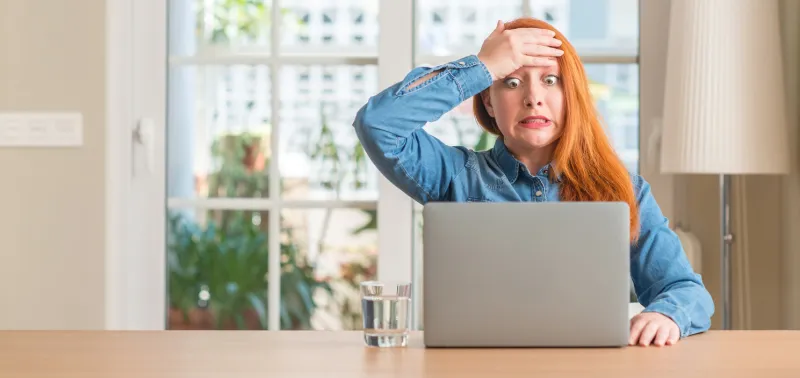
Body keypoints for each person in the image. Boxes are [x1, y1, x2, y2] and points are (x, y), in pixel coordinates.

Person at [352, 17, 714, 347]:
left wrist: (665, 315)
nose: (533, 98)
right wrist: (482, 66)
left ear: (570, 97)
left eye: (550, 80)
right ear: (489, 102)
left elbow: (685, 289)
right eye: (510, 82)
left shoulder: (626, 190)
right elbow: (378, 124)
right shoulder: (455, 175)